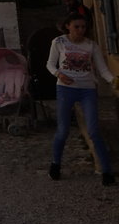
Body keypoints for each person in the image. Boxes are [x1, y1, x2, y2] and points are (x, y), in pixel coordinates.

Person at [47, 9, 116, 184]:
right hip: (65, 89)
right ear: (68, 27)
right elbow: (50, 64)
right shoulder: (59, 42)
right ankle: (55, 164)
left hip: (87, 89)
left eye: (83, 27)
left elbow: (102, 69)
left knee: (94, 130)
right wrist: (59, 74)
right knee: (63, 131)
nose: (80, 30)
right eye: (76, 26)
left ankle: (107, 172)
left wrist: (113, 81)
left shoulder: (91, 45)